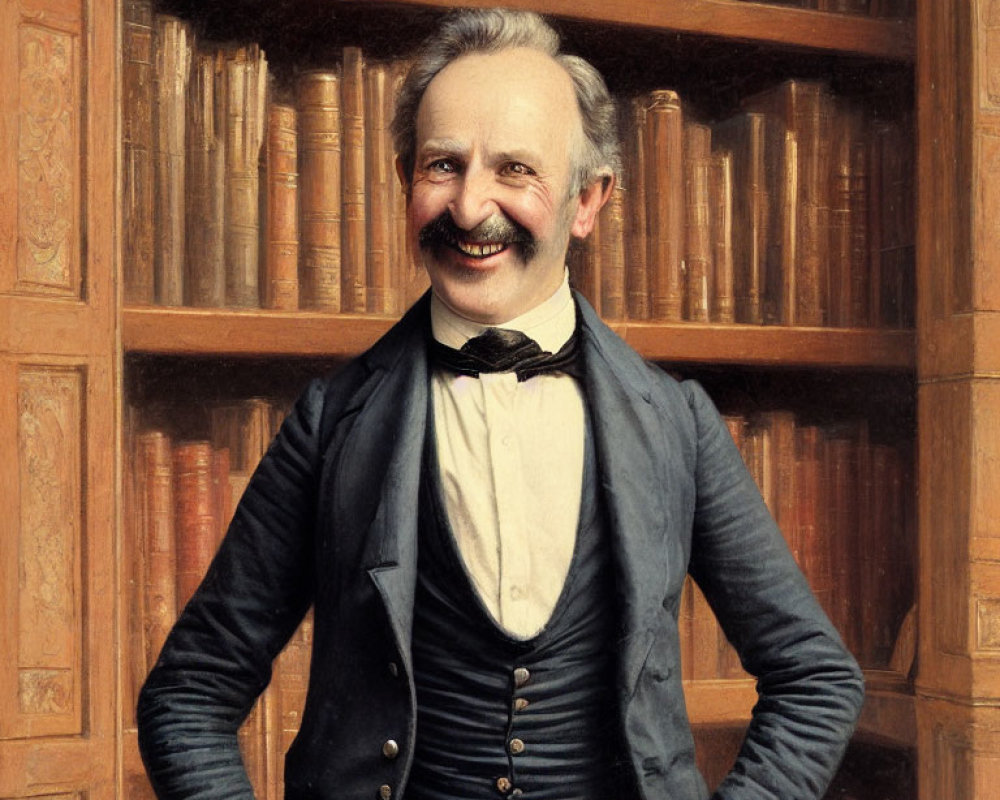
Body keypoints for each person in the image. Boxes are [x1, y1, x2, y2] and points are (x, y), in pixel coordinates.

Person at [137, 8, 864, 799]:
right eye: (443, 165)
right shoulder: (329, 424)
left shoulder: (676, 423)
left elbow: (816, 682)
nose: (470, 205)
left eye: (515, 169)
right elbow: (188, 696)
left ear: (589, 201)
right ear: (403, 180)